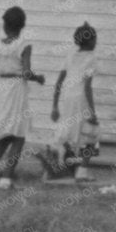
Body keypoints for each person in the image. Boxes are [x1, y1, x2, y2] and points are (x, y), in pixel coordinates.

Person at [0, 6, 44, 189]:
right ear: (22, 25)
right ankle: (6, 179)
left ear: (4, 25)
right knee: (18, 135)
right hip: (16, 89)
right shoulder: (24, 45)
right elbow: (25, 73)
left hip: (1, 88)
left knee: (6, 131)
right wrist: (37, 78)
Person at [37, 22, 102, 181]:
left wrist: (54, 106)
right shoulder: (92, 58)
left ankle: (52, 163)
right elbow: (87, 87)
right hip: (81, 99)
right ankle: (82, 171)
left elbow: (59, 82)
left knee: (65, 132)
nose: (96, 42)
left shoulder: (70, 55)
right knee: (92, 134)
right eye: (95, 39)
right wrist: (93, 112)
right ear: (89, 41)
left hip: (67, 98)